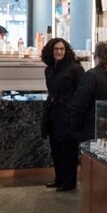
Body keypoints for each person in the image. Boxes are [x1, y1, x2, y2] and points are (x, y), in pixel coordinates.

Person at [40, 38, 84, 191]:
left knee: (68, 150)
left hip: (68, 114)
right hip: (53, 113)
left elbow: (81, 93)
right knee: (56, 148)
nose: (59, 52)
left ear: (66, 51)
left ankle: (69, 182)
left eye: (62, 49)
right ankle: (59, 179)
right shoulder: (49, 69)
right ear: (51, 51)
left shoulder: (75, 69)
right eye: (56, 49)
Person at [70, 41, 107, 142]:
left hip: (93, 130)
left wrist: (74, 129)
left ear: (95, 56)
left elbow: (80, 106)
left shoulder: (91, 75)